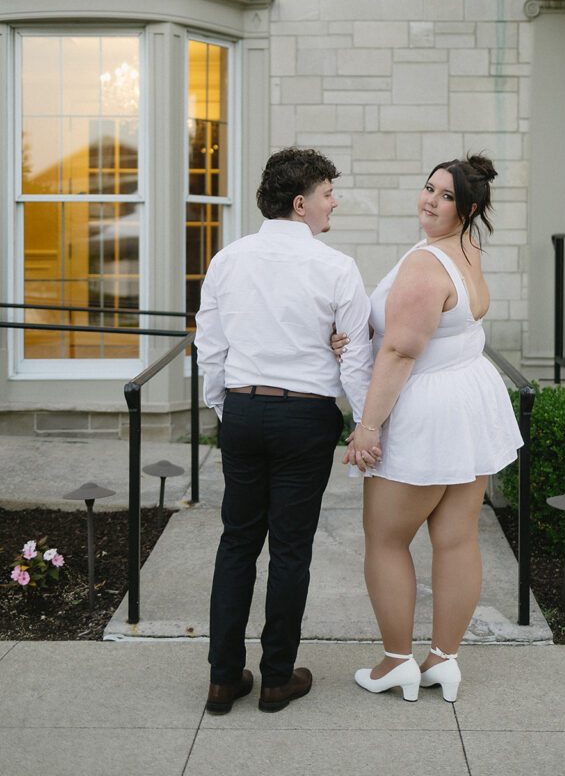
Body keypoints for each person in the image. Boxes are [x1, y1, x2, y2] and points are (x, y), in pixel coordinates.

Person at [195, 147, 376, 715]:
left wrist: (226, 409)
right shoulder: (337, 267)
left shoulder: (228, 260)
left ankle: (223, 680)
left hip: (244, 413)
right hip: (305, 416)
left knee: (236, 543)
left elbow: (211, 349)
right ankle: (277, 679)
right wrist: (364, 423)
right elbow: (356, 359)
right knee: (291, 549)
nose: (334, 201)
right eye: (327, 193)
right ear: (301, 204)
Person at [338, 154, 523, 703]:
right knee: (456, 538)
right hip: (466, 405)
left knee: (387, 539)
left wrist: (367, 427)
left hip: (426, 412)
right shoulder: (466, 250)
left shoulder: (425, 265)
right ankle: (443, 660)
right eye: (427, 188)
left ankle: (398, 662)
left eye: (444, 196)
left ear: (466, 210)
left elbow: (399, 350)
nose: (429, 200)